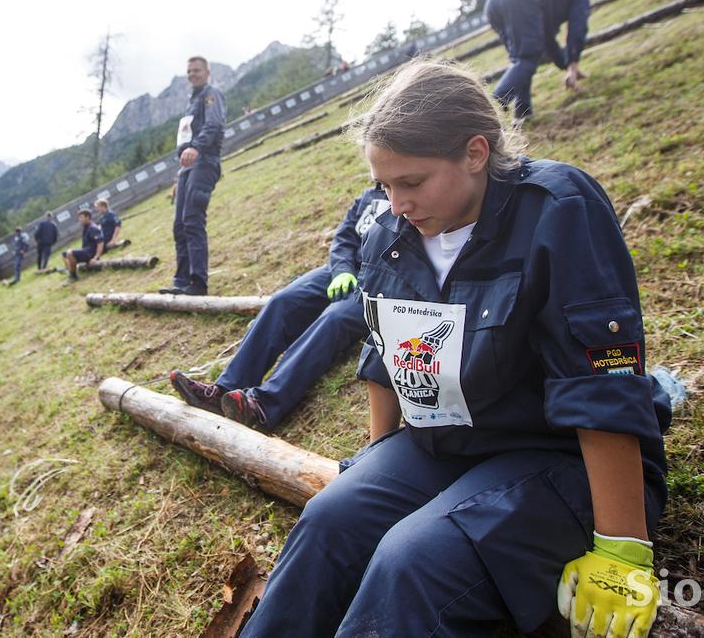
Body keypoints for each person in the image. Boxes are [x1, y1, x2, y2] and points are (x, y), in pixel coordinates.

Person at [240, 60, 670, 638]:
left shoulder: (558, 209)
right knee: (330, 521)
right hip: (448, 441)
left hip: (555, 453)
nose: (396, 204)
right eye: (384, 186)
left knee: (410, 560)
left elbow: (602, 379)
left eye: (411, 183)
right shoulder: (389, 237)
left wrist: (622, 549)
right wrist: (374, 466)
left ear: (475, 153)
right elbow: (385, 361)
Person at [169, 184, 390, 429]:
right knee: (282, 302)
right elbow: (344, 237)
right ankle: (225, 389)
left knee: (334, 319)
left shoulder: (407, 197)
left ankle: (262, 406)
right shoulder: (369, 195)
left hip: (379, 281)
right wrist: (342, 270)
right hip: (342, 270)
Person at [160, 56, 226, 296]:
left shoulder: (211, 95)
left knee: (192, 220)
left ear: (207, 72)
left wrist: (196, 147)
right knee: (179, 225)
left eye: (196, 70)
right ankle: (181, 280)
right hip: (186, 169)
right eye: (189, 71)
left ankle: (198, 282)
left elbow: (215, 125)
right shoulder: (192, 101)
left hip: (204, 162)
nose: (192, 74)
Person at [485, 0, 590, 119]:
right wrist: (573, 66)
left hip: (494, 3)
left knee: (521, 60)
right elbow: (577, 30)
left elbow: (548, 41)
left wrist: (568, 66)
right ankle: (490, 110)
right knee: (526, 57)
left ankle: (523, 111)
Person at [61, 208, 104, 281]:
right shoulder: (85, 227)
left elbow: (100, 243)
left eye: (81, 217)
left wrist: (96, 257)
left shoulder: (93, 228)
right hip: (85, 251)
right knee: (63, 254)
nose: (80, 220)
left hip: (90, 253)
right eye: (79, 218)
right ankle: (71, 272)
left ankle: (73, 276)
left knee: (70, 253)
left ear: (87, 217)